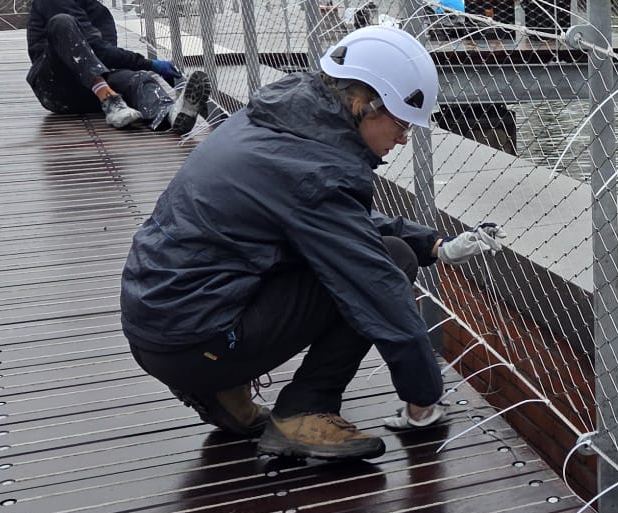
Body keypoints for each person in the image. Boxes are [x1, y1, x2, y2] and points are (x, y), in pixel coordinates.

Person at [118, 26, 506, 461]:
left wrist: (429, 243)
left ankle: (221, 389)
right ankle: (305, 410)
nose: (403, 138)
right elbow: (376, 284)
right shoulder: (319, 169)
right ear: (363, 104)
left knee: (376, 253)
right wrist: (423, 398)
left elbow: (327, 215)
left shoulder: (284, 120)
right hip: (193, 337)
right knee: (387, 264)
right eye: (399, 122)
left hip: (161, 318)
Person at [25, 0, 210, 134]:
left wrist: (146, 69)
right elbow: (95, 47)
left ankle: (169, 114)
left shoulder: (97, 10)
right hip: (55, 87)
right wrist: (150, 63)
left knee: (139, 79)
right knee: (62, 22)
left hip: (85, 92)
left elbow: (105, 55)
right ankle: (109, 99)